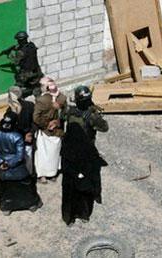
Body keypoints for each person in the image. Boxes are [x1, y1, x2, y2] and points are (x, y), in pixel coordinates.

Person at [61, 86, 109, 226]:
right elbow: (104, 128)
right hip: (87, 151)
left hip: (69, 150)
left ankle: (69, 216)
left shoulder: (70, 112)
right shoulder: (92, 116)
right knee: (90, 179)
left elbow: (61, 117)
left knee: (69, 186)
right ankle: (89, 205)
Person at [0, 112, 42, 216]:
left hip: (3, 169)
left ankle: (6, 207)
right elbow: (19, 155)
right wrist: (9, 164)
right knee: (27, 186)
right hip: (18, 168)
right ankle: (31, 204)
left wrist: (1, 163)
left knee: (5, 188)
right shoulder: (17, 136)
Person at [33, 78, 67, 184]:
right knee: (55, 153)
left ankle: (42, 175)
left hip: (45, 131)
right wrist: (57, 122)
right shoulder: (62, 98)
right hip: (57, 130)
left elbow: (36, 118)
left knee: (43, 154)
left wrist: (46, 125)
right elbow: (65, 112)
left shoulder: (41, 100)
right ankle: (53, 174)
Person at [7, 86, 35, 174]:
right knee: (28, 159)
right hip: (27, 138)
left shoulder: (10, 111)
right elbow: (35, 122)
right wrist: (30, 133)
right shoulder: (30, 105)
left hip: (17, 139)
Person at [9, 31, 43, 98]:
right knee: (36, 86)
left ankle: (19, 101)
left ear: (20, 40)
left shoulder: (20, 52)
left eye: (18, 40)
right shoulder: (32, 45)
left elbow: (16, 62)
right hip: (36, 71)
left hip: (26, 74)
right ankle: (39, 100)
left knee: (17, 87)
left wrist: (11, 55)